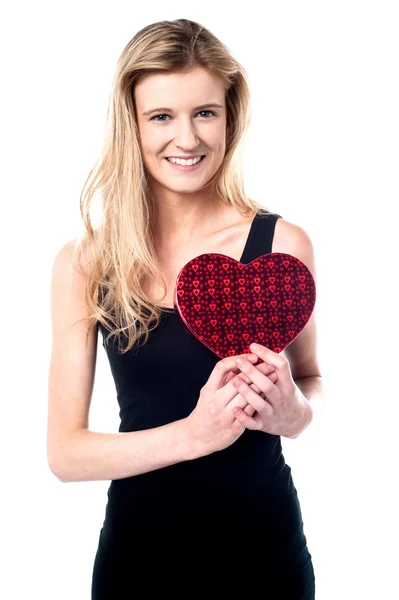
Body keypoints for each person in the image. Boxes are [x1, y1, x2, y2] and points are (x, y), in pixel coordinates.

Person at [47, 18, 325, 599]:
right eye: (161, 116)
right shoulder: (88, 262)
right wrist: (197, 433)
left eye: (205, 112)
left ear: (230, 116)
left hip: (266, 558)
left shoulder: (280, 247)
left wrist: (292, 413)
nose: (188, 138)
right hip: (136, 562)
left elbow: (310, 381)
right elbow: (65, 453)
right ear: (132, 125)